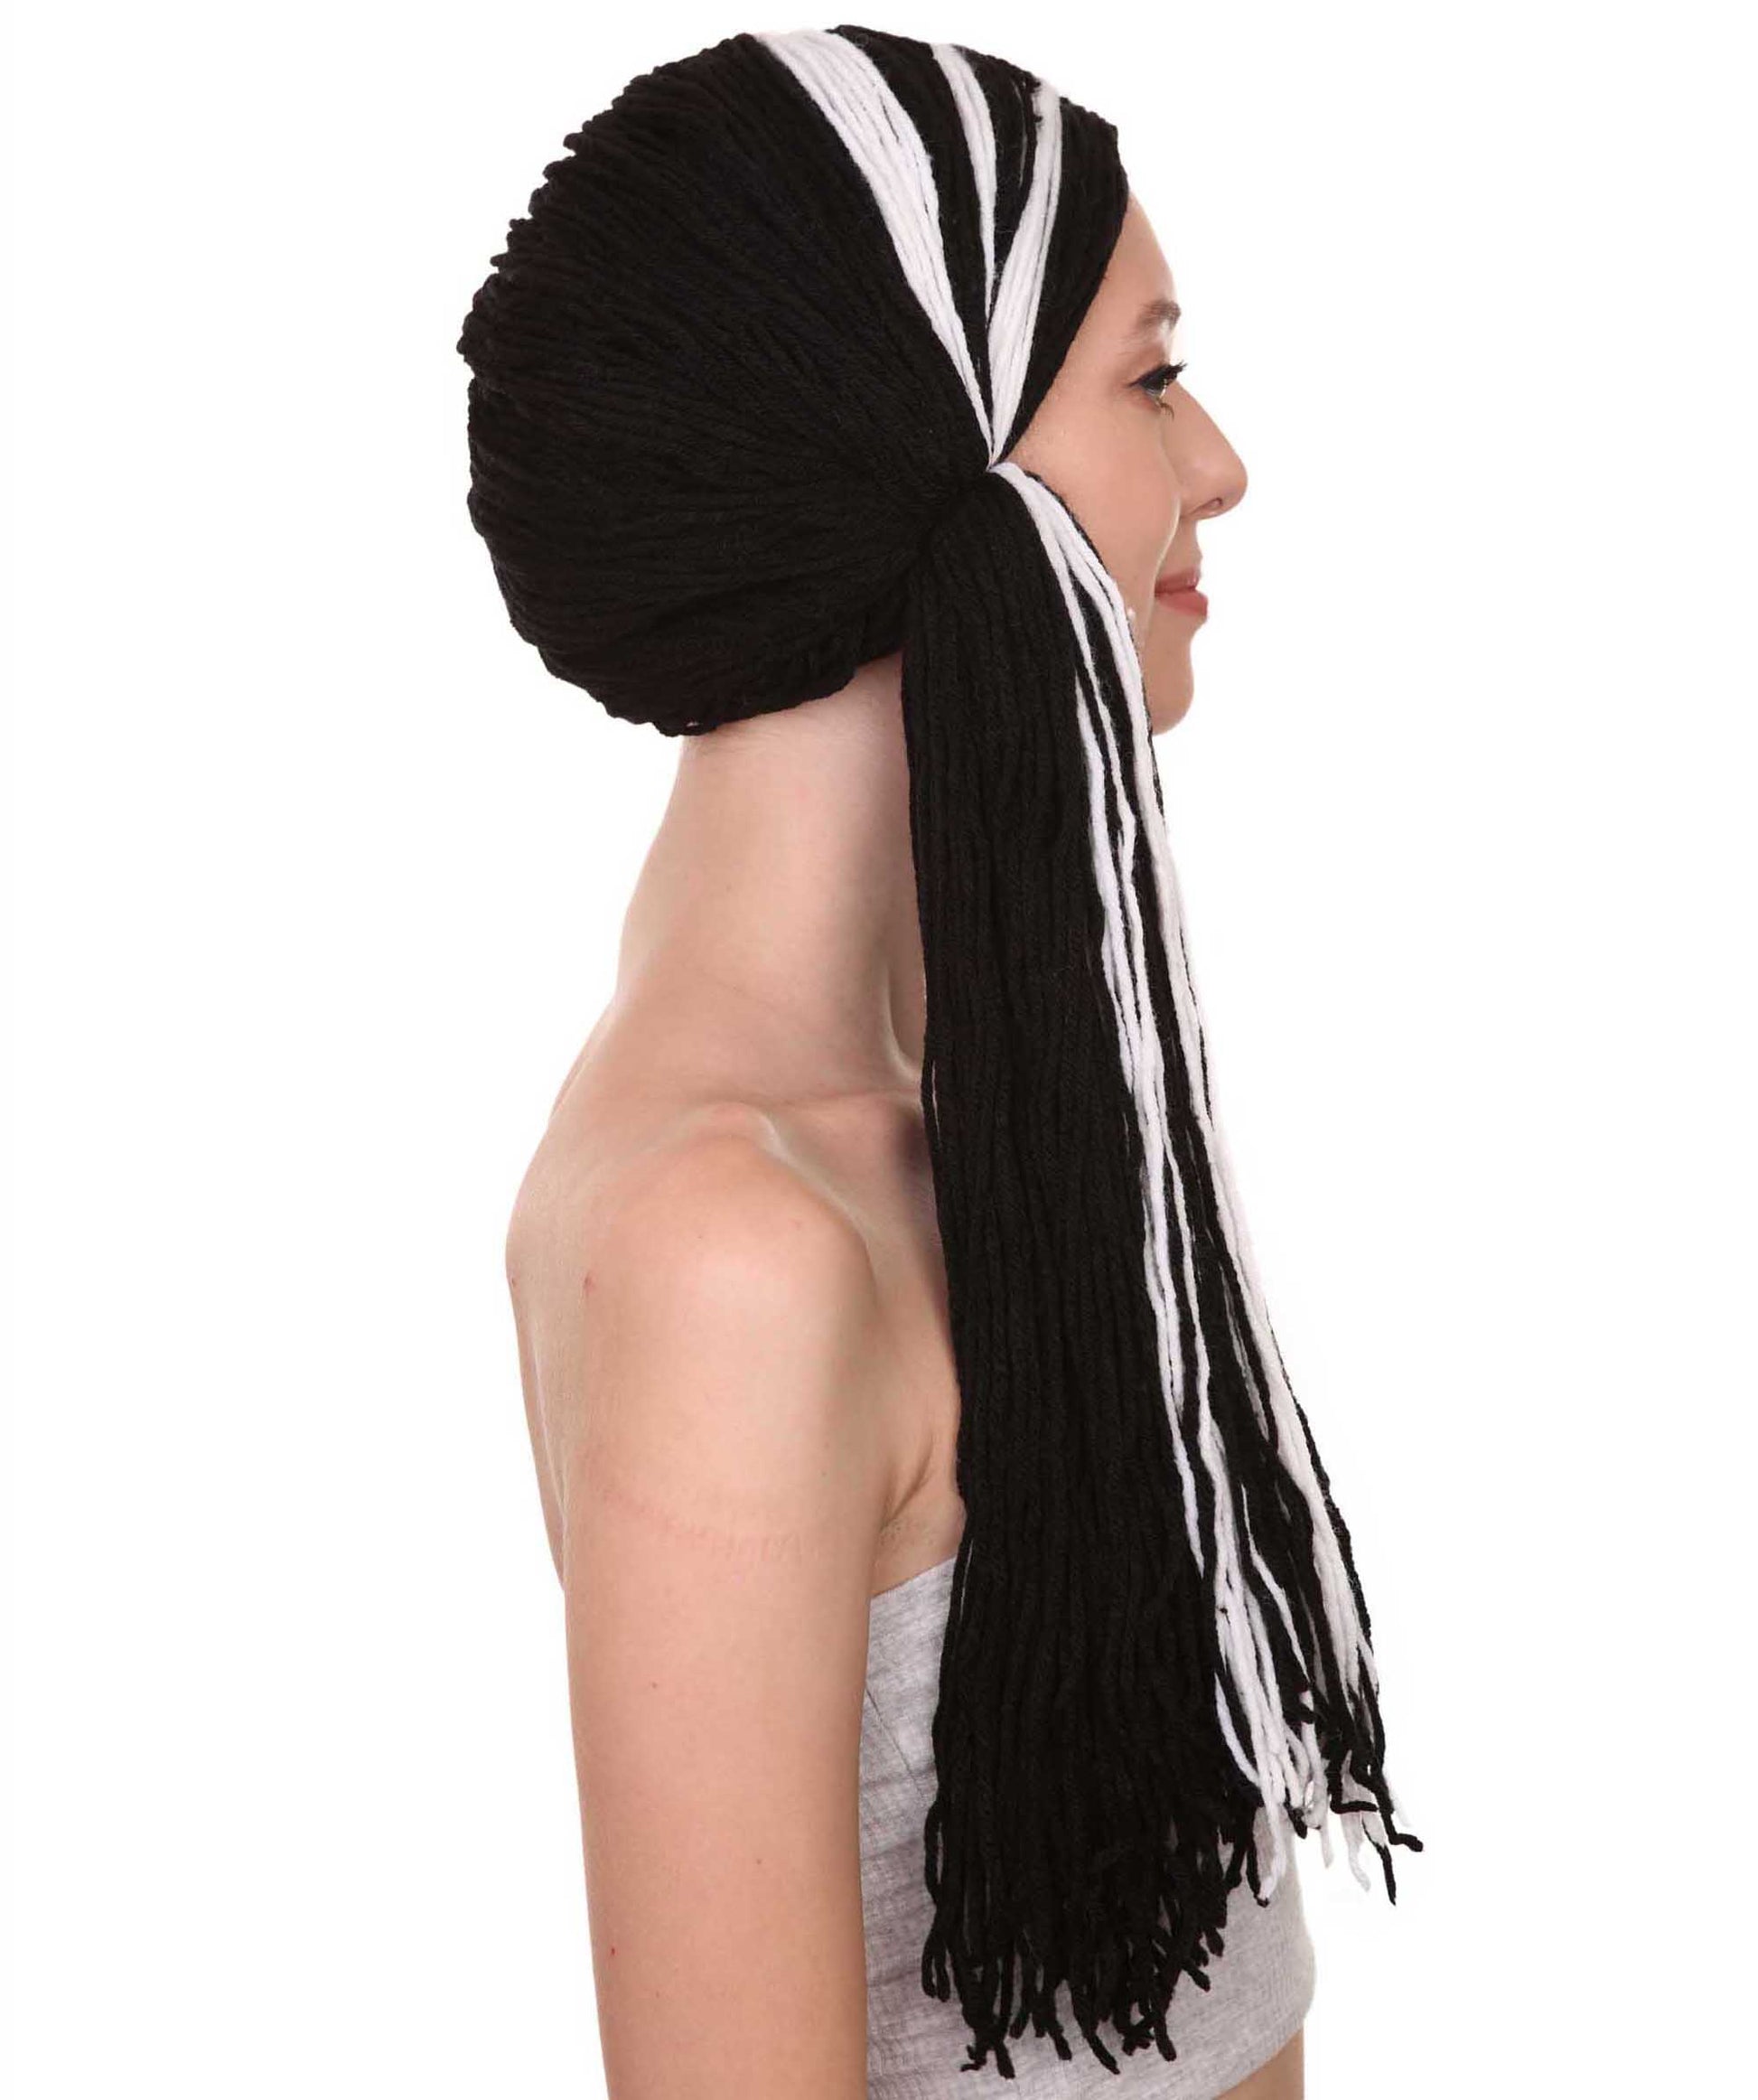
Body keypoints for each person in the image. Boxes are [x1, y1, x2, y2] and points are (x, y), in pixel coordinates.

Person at [462, 24, 1418, 2096]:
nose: (1218, 463)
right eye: (1151, 378)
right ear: (929, 454)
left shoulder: (944, 1108)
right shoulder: (732, 1241)